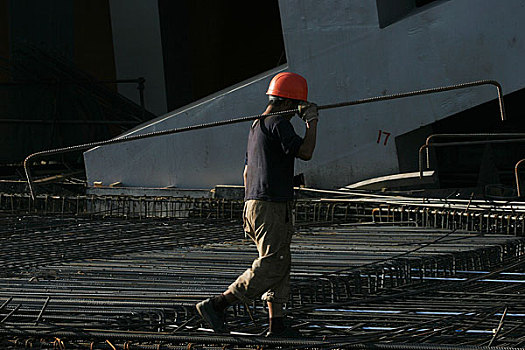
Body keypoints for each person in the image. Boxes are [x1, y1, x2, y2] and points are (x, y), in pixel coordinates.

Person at [196, 72, 319, 337]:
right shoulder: (280, 123)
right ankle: (218, 304)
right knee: (273, 262)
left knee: (278, 261)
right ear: (291, 103)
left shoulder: (257, 125)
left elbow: (247, 172)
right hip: (271, 206)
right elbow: (306, 152)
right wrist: (312, 122)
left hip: (254, 203)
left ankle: (277, 325)